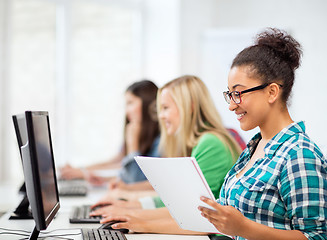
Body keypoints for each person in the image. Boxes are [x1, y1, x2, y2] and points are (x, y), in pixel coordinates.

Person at [198, 28, 327, 240]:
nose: (231, 105)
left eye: (238, 94)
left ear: (272, 92)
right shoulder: (254, 147)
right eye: (230, 94)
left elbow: (317, 236)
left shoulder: (299, 155)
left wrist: (243, 228)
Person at [90, 75, 242, 235]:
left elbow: (193, 211)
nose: (161, 116)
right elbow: (176, 201)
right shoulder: (197, 143)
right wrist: (129, 205)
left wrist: (135, 215)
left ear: (189, 107)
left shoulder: (211, 143)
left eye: (166, 108)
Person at [60, 80, 160, 186]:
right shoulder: (137, 131)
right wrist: (83, 170)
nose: (127, 111)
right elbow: (119, 161)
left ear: (147, 104)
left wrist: (133, 145)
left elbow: (134, 178)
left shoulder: (159, 141)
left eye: (130, 103)